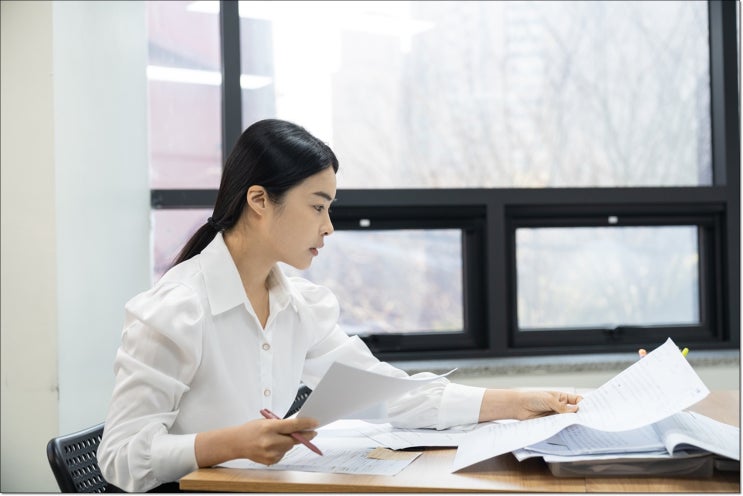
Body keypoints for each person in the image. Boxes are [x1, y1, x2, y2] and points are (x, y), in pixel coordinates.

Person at [97, 118, 582, 492]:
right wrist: (230, 443)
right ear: (260, 200)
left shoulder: (300, 306)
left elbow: (394, 394)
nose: (328, 227)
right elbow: (119, 458)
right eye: (317, 206)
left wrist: (519, 403)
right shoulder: (174, 311)